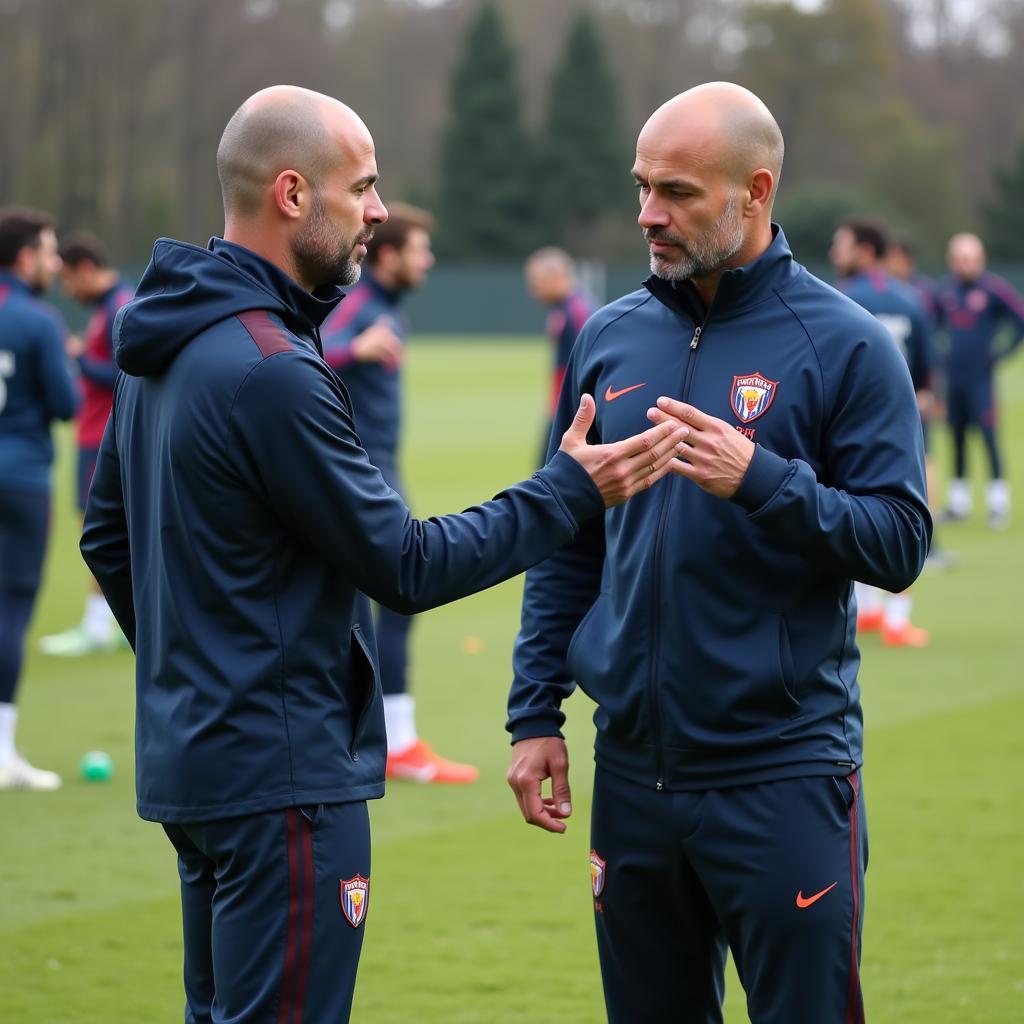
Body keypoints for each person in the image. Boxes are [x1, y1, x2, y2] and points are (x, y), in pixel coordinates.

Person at [79, 85, 688, 1024]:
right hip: (282, 778)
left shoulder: (166, 340)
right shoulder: (272, 369)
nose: (376, 213)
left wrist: (190, 669)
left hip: (194, 767)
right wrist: (572, 488)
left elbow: (106, 538)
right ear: (291, 194)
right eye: (361, 188)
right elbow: (405, 564)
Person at [506, 82, 930, 1024]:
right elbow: (565, 535)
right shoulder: (609, 336)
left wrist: (763, 480)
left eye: (679, 192)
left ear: (756, 190)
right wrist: (535, 712)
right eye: (642, 186)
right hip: (631, 779)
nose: (649, 213)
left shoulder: (849, 346)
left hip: (782, 776)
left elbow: (900, 541)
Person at [320, 203, 475, 783]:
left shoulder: (385, 306)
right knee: (402, 589)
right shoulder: (360, 303)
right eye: (419, 250)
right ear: (388, 256)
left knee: (385, 599)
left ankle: (378, 736)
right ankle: (393, 740)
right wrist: (353, 349)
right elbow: (313, 348)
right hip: (364, 472)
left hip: (376, 467)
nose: (428, 260)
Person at [0, 207, 79, 790]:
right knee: (9, 613)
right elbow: (65, 404)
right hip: (21, 479)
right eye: (50, 252)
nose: (55, 263)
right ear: (25, 259)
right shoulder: (38, 320)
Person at [829, 217, 935, 646]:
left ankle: (869, 611)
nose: (836, 253)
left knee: (850, 511)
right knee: (899, 513)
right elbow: (927, 372)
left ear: (865, 251)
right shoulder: (911, 300)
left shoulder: (836, 299)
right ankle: (894, 618)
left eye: (843, 245)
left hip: (844, 424)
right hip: (896, 424)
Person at [38, 232, 132, 656]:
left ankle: (98, 624)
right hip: (93, 435)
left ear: (85, 270)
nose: (66, 290)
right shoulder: (105, 307)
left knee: (99, 529)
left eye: (69, 280)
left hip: (102, 437)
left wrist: (74, 356)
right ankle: (105, 620)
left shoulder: (118, 306)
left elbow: (124, 372)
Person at [936, 232, 1024, 528]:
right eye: (961, 258)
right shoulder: (945, 292)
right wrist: (940, 354)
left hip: (981, 381)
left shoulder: (993, 289)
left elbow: (1020, 319)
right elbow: (929, 324)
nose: (966, 264)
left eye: (971, 258)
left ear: (981, 259)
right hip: (954, 380)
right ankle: (959, 503)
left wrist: (1002, 353)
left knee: (989, 439)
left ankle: (997, 503)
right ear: (952, 261)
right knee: (956, 438)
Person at [524, 246, 594, 424]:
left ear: (557, 277)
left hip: (572, 411)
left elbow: (588, 363)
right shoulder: (565, 308)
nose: (532, 292)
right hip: (562, 407)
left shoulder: (578, 311)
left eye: (536, 283)